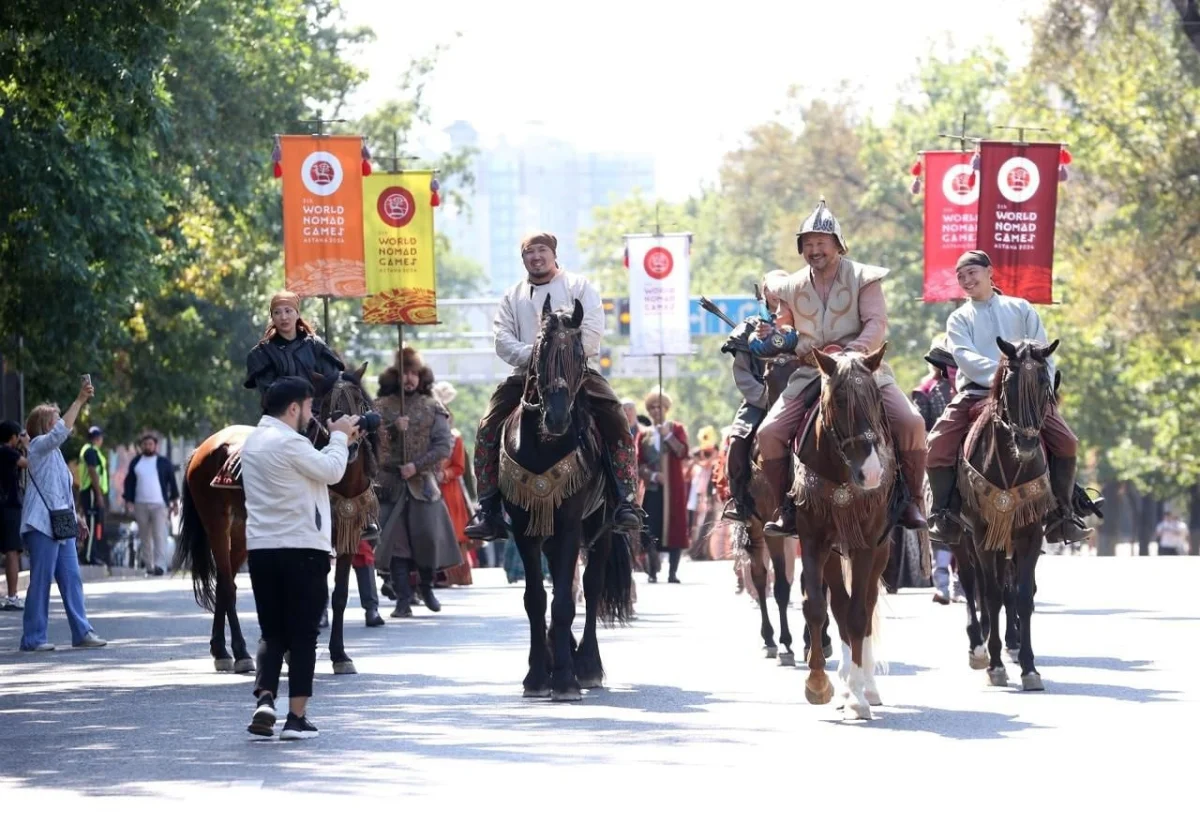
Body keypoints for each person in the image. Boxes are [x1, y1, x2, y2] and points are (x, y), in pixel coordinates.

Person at [756, 201, 928, 537]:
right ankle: (786, 509)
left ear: (838, 244)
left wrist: (853, 354)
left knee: (911, 422)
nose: (814, 250)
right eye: (808, 244)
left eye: (821, 243)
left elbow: (876, 323)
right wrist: (773, 334)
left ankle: (911, 500)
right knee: (768, 433)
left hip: (863, 369)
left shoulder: (864, 276)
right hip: (812, 371)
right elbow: (786, 329)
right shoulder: (789, 285)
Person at [464, 231, 641, 541]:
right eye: (529, 253)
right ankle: (488, 507)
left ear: (554, 253)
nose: (536, 257)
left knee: (616, 419)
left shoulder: (579, 286)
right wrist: (537, 356)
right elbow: (501, 339)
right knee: (487, 426)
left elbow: (593, 330)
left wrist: (562, 356)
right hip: (525, 376)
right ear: (523, 260)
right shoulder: (512, 296)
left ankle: (624, 498)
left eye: (541, 250)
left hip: (577, 374)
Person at [925, 250, 1091, 545]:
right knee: (937, 444)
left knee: (1067, 441)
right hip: (976, 390)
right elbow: (964, 358)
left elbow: (1043, 352)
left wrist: (1042, 389)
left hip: (1028, 395)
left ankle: (1062, 516)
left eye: (972, 272)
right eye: (960, 276)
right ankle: (943, 514)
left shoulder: (1021, 308)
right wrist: (1004, 378)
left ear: (990, 271)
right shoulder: (959, 318)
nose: (966, 279)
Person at [241, 377, 359, 740]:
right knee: (304, 634)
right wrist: (340, 436)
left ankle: (264, 699)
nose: (312, 416)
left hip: (261, 550)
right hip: (302, 549)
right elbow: (332, 471)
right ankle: (295, 717)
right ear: (293, 408)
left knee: (271, 631)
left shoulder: (253, 442)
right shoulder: (289, 442)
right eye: (309, 407)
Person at [373, 349, 462, 618]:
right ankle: (402, 599)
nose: (409, 379)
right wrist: (390, 429)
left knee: (427, 540)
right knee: (396, 544)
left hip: (422, 484)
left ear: (420, 376)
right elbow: (371, 443)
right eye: (404, 373)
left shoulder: (433, 406)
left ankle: (426, 586)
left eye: (413, 373)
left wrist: (417, 465)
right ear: (396, 376)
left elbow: (443, 445)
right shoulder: (380, 407)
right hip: (390, 484)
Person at [20, 377, 107, 652]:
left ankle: (82, 632)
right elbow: (61, 432)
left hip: (61, 524)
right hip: (41, 525)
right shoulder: (37, 447)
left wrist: (77, 518)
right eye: (56, 419)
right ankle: (33, 638)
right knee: (41, 581)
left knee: (72, 578)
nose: (62, 423)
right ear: (45, 425)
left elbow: (62, 492)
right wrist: (80, 400)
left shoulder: (55, 454)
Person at [718, 282, 776, 523]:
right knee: (738, 443)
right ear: (764, 295)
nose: (778, 293)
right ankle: (739, 499)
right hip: (757, 401)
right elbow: (742, 373)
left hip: (797, 398)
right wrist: (765, 397)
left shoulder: (803, 323)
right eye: (773, 289)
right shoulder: (748, 328)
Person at [913, 336, 960, 605]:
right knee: (938, 512)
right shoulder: (927, 390)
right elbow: (921, 426)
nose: (950, 369)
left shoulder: (974, 386)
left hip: (968, 457)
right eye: (947, 363)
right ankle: (942, 580)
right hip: (938, 458)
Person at [244, 290, 344, 411]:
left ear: (297, 314)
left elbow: (333, 384)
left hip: (317, 416)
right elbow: (270, 395)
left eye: (288, 311)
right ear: (272, 317)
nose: (283, 317)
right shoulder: (262, 354)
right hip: (281, 419)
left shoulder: (316, 346)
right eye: (277, 312)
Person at [639, 390, 689, 583]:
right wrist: (652, 475)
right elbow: (639, 462)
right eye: (652, 407)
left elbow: (683, 451)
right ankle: (652, 570)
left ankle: (673, 572)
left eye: (659, 407)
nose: (655, 411)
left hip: (672, 489)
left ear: (666, 408)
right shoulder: (644, 435)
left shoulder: (676, 429)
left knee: (674, 528)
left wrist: (668, 436)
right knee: (650, 529)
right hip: (652, 489)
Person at [432, 380, 475, 587]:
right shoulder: (427, 438)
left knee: (455, 532)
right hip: (430, 488)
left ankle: (457, 576)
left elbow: (459, 467)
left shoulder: (455, 438)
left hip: (450, 491)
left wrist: (445, 474)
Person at [121, 432, 180, 576]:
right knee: (144, 536)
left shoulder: (163, 462)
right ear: (142, 446)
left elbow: (172, 482)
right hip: (140, 504)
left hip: (159, 505)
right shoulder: (136, 462)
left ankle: (160, 565)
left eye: (150, 444)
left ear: (155, 446)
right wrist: (128, 501)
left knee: (159, 535)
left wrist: (175, 502)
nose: (148, 446)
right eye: (145, 444)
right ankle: (149, 565)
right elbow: (129, 483)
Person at [1, 421, 28, 610]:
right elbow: (29, 464)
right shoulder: (8, 452)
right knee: (12, 552)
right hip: (9, 506)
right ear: (12, 437)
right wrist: (27, 445)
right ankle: (12, 596)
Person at [77, 424, 109, 565]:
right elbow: (92, 471)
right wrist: (98, 494)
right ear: (98, 438)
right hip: (91, 491)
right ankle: (89, 556)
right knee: (90, 522)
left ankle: (91, 553)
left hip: (91, 491)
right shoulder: (90, 451)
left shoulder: (92, 451)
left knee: (95, 523)